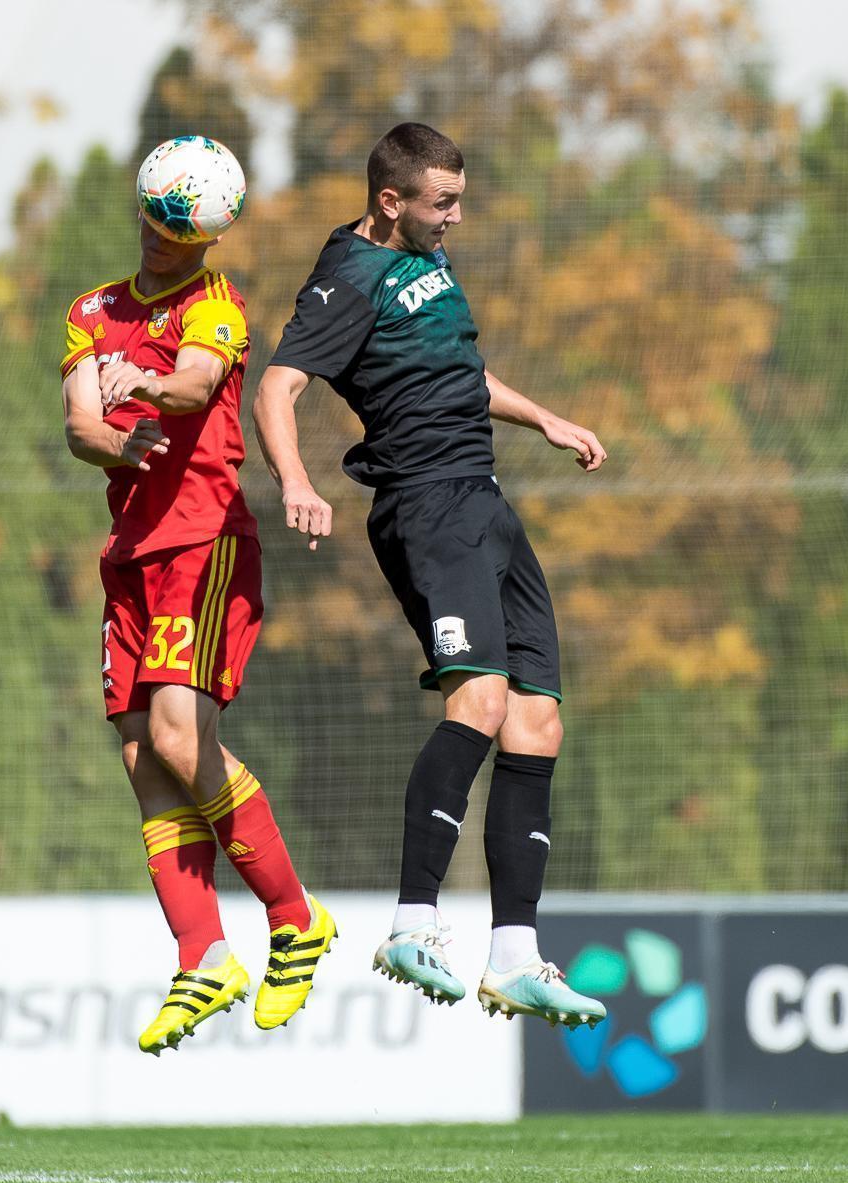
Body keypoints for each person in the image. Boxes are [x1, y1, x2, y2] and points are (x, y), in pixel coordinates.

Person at [254, 122, 608, 1027]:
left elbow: (460, 373)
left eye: (459, 199)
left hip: (484, 502)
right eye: (442, 202)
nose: (455, 216)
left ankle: (515, 956)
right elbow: (277, 386)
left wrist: (547, 420)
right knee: (480, 702)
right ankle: (412, 923)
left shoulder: (428, 259)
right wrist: (295, 481)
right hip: (425, 508)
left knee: (537, 721)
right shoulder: (348, 277)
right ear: (391, 201)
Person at [60, 140, 337, 1055]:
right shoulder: (91, 310)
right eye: (153, 221)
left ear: (208, 238)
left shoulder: (215, 305)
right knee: (144, 757)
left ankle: (295, 918)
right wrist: (115, 441)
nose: (159, 242)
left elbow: (195, 381)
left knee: (181, 735)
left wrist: (145, 383)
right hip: (130, 555)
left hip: (204, 540)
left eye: (179, 234)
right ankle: (203, 958)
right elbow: (79, 425)